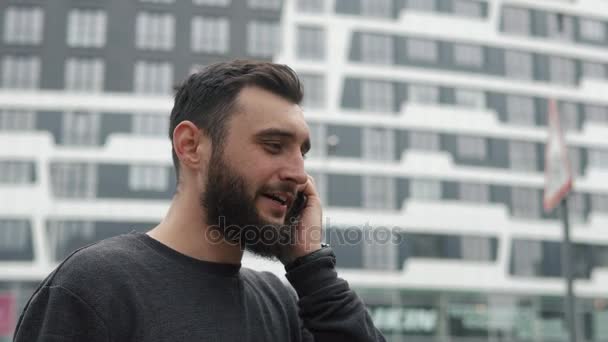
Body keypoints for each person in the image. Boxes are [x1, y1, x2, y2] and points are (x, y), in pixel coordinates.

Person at [13, 60, 386, 341]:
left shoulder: (282, 304)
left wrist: (311, 267)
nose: (298, 173)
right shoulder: (97, 286)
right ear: (191, 146)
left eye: (301, 152)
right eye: (274, 146)